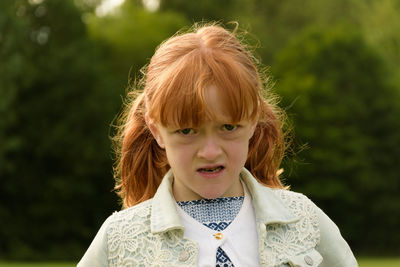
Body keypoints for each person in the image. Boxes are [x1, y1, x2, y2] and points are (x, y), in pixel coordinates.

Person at [78, 23, 358, 267]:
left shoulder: (303, 219)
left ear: (252, 120)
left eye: (228, 127)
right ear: (157, 131)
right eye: (187, 130)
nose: (210, 152)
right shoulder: (119, 238)